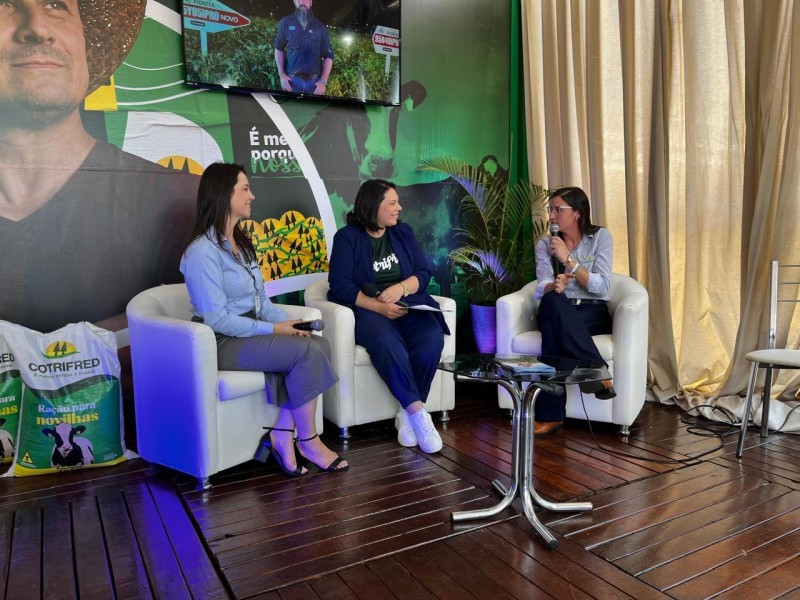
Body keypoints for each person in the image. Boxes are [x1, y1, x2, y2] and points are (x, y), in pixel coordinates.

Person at [0, 0, 198, 333]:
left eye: (55, 5)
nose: (37, 27)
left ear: (84, 41)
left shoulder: (188, 204)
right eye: (4, 4)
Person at [181, 162, 347, 476]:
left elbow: (262, 303)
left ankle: (282, 434)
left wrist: (289, 325)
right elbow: (217, 319)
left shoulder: (241, 245)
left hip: (250, 333)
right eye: (244, 188)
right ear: (222, 195)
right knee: (308, 351)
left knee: (317, 343)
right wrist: (273, 329)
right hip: (222, 341)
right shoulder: (202, 253)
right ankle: (309, 441)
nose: (252, 196)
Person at [327, 179, 448, 453]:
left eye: (397, 202)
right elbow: (341, 286)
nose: (399, 208)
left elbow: (423, 272)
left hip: (409, 303)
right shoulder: (347, 238)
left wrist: (400, 288)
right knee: (387, 342)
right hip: (370, 309)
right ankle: (419, 413)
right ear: (373, 207)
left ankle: (406, 415)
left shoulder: (403, 232)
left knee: (431, 338)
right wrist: (380, 307)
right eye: (391, 203)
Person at [532, 186, 616, 437]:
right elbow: (540, 285)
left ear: (577, 213)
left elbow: (602, 287)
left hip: (591, 312)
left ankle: (550, 416)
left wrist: (570, 260)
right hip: (559, 306)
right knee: (552, 302)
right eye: (551, 209)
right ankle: (596, 368)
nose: (552, 215)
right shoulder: (544, 244)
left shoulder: (600, 237)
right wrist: (554, 285)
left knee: (552, 331)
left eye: (559, 209)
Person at [274, 0, 334, 95]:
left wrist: (323, 81)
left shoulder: (321, 28)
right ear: (294, 2)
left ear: (311, 2)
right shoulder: (285, 22)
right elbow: (278, 49)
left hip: (314, 85)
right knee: (290, 110)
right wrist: (282, 76)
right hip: (291, 83)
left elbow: (329, 56)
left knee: (313, 110)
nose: (302, 1)